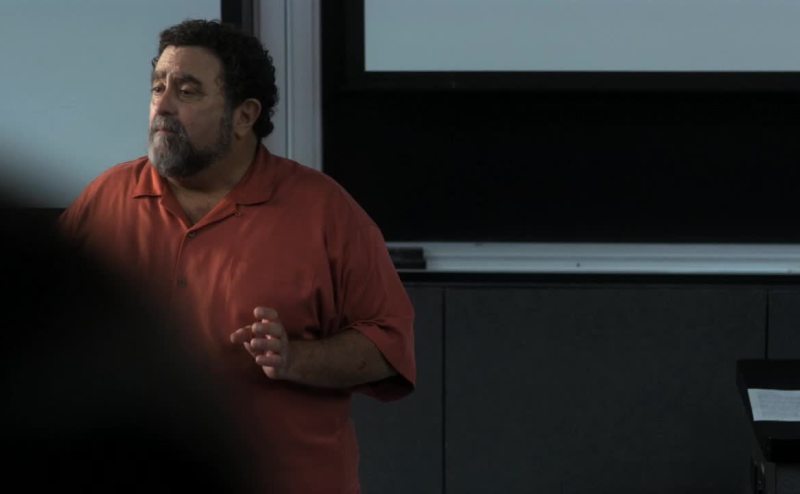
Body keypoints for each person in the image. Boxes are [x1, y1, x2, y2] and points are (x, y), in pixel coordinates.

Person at [58, 19, 415, 493]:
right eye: (158, 88)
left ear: (245, 116)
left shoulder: (324, 210)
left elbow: (388, 347)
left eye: (187, 91)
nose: (162, 106)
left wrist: (295, 358)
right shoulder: (105, 199)